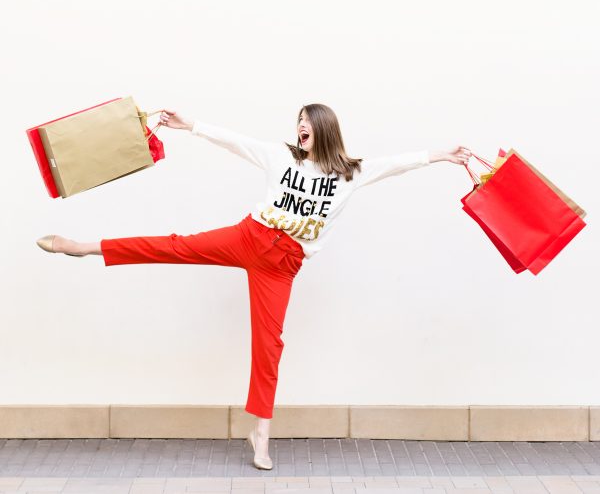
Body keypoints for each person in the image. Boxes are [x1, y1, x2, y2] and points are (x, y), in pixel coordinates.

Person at [36, 102, 472, 469]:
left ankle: (260, 435)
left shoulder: (349, 174)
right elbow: (234, 141)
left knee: (269, 344)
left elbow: (396, 164)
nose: (300, 126)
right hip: (250, 237)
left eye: (308, 121)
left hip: (280, 266)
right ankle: (83, 247)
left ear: (323, 129)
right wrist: (191, 126)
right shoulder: (280, 157)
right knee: (177, 246)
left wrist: (443, 155)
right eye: (298, 120)